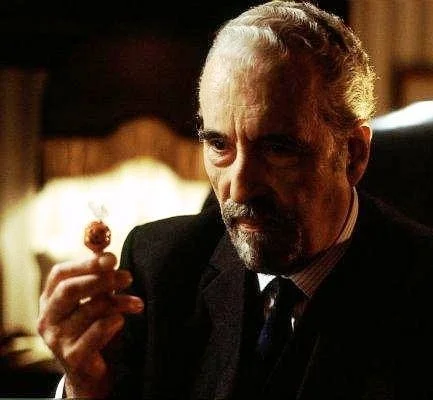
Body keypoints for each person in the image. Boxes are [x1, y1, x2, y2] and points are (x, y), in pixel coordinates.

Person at [38, 1, 433, 399]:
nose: (240, 189)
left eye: (277, 148)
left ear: (353, 154)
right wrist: (85, 385)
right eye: (219, 145)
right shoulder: (159, 269)